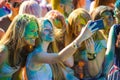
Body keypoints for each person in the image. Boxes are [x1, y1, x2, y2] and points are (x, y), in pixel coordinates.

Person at [25, 16, 100, 80]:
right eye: (46, 30)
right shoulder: (36, 55)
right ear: (38, 33)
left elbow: (67, 76)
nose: (51, 31)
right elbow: (60, 57)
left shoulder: (48, 55)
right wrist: (82, 36)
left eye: (52, 29)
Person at [66, 8, 107, 80]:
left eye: (82, 25)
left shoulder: (100, 42)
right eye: (75, 26)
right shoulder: (71, 40)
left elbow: (95, 74)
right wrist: (76, 68)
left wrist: (91, 52)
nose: (78, 30)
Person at [0, 14, 40, 80]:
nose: (36, 35)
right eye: (32, 31)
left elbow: (16, 77)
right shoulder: (4, 51)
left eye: (37, 31)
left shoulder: (22, 50)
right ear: (20, 31)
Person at [104, 0, 120, 80]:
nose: (114, 14)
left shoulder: (115, 28)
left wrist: (104, 73)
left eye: (116, 11)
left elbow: (110, 54)